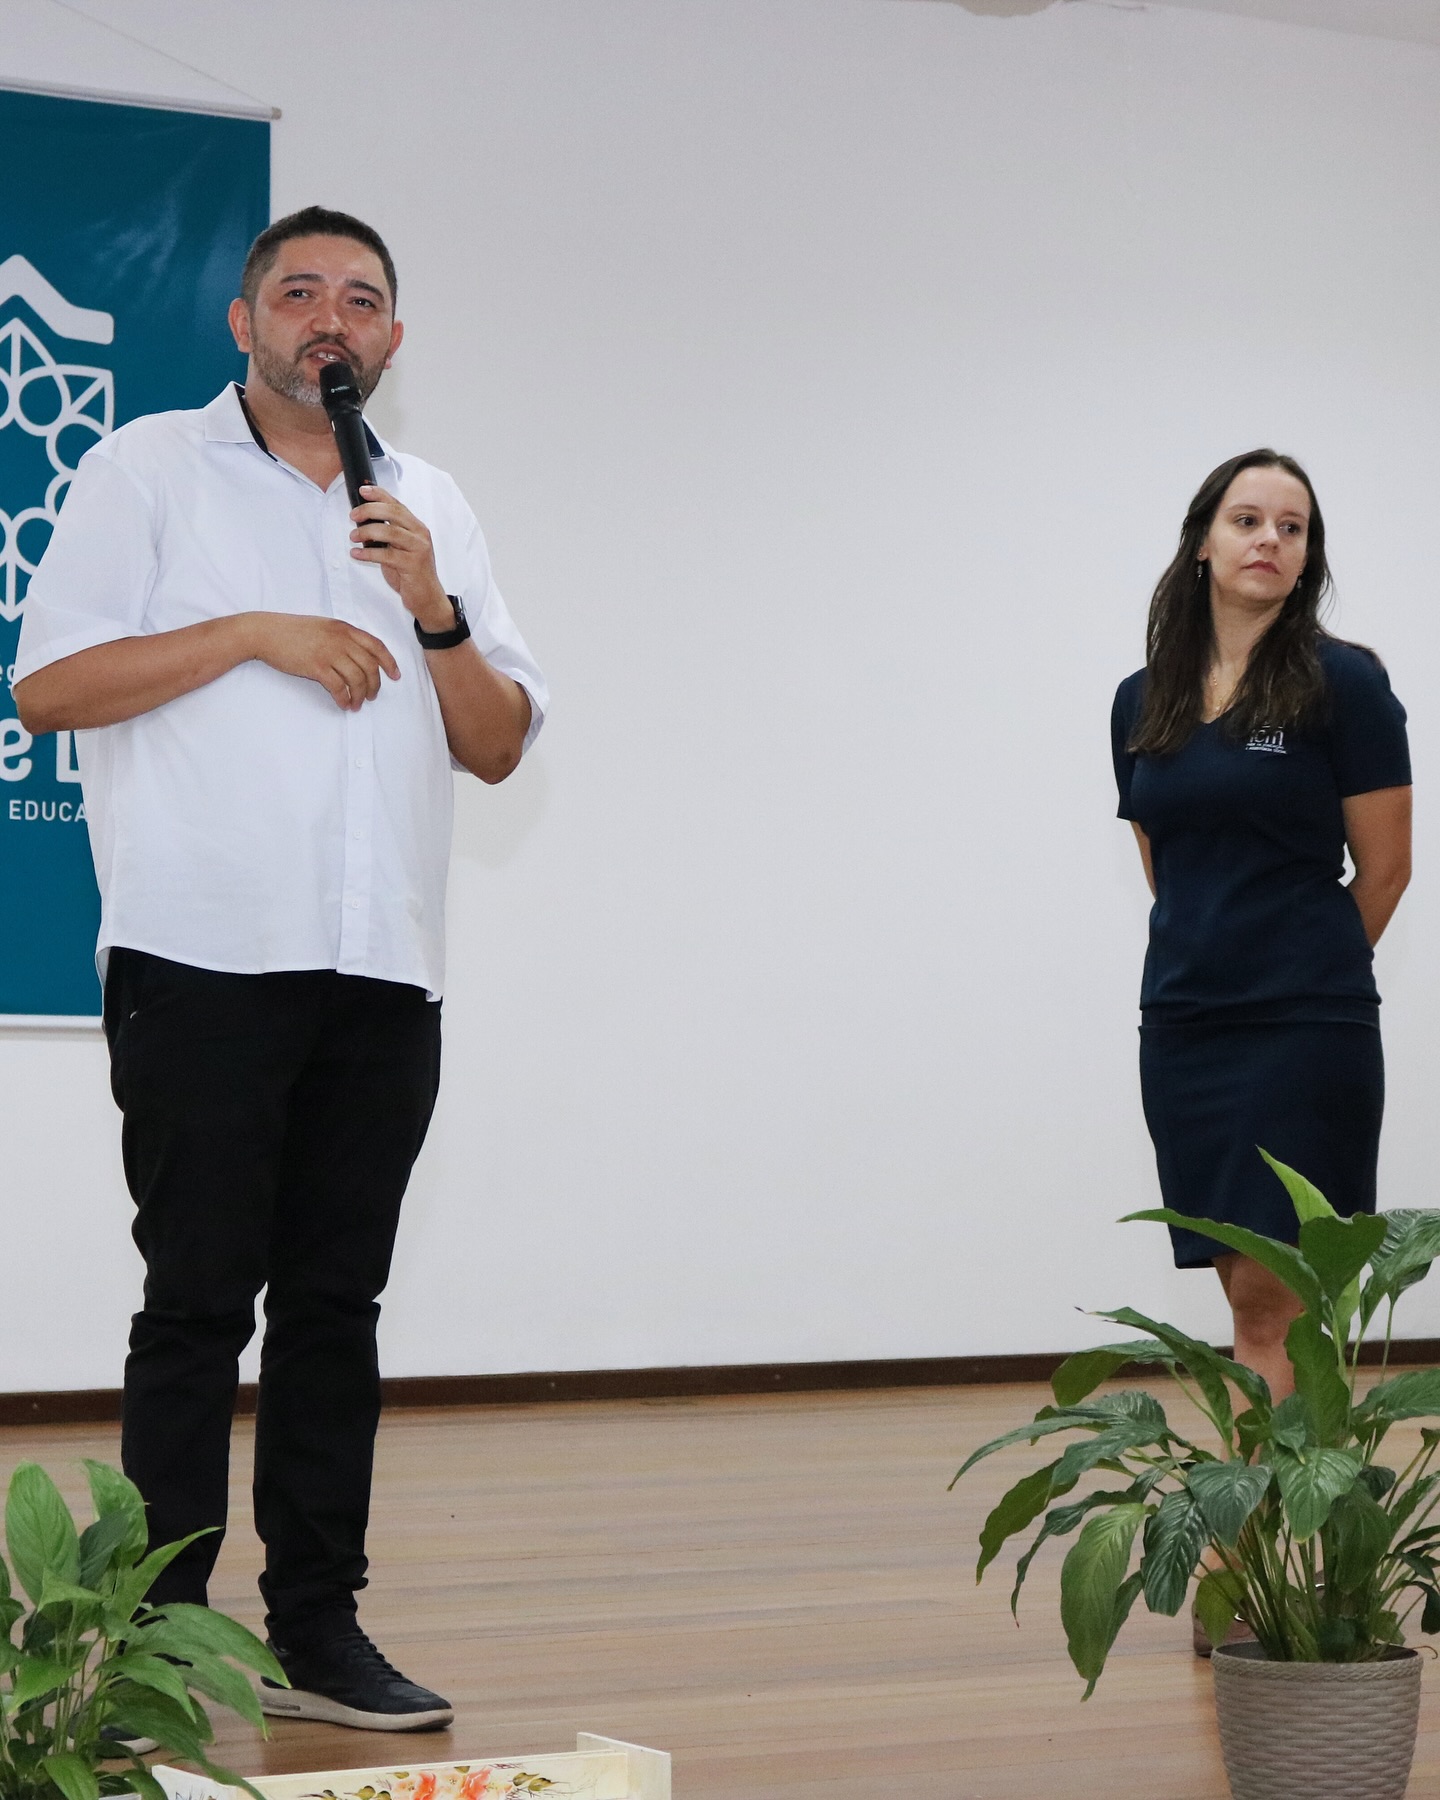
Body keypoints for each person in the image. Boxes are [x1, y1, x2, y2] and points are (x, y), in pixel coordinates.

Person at [13, 205, 548, 1732]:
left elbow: (499, 744)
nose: (331, 318)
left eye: (360, 299)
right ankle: (153, 1649)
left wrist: (433, 608)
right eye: (298, 292)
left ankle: (319, 1633)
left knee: (336, 1308)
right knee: (196, 1307)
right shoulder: (147, 471)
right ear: (244, 324)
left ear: (393, 340)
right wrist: (254, 631)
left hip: (383, 967)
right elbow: (47, 684)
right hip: (203, 956)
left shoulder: (430, 504)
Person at [1112, 449, 1411, 1402]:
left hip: (1303, 1025)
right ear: (1203, 542)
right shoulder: (1140, 698)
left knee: (1272, 1302)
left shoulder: (1345, 684)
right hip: (1186, 1028)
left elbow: (1387, 868)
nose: (1269, 540)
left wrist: (1307, 969)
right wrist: (1215, 955)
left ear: (1307, 555)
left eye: (1293, 527)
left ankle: (1265, 1501)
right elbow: (1166, 862)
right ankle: (1286, 1489)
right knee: (1247, 1289)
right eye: (1247, 521)